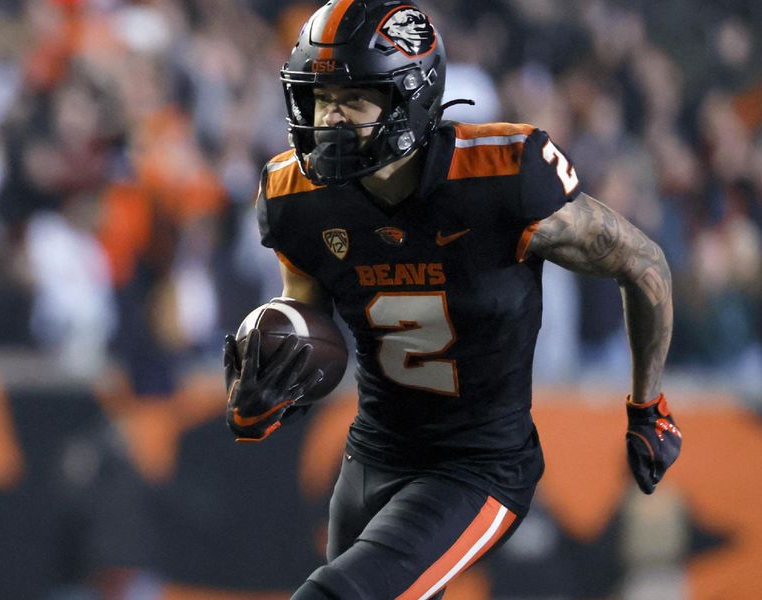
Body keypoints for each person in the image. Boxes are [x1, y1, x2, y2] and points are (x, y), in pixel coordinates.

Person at [223, 1, 682, 598]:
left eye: (353, 98)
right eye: (320, 98)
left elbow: (643, 264)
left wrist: (648, 404)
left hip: (477, 467)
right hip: (372, 456)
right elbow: (306, 320)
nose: (330, 119)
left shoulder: (501, 175)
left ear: (410, 98)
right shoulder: (296, 194)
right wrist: (269, 387)